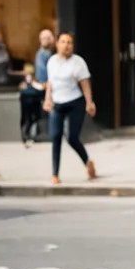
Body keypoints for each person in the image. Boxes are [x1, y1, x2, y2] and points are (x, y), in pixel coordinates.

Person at [43, 32, 96, 186]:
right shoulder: (52, 61)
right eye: (63, 42)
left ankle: (87, 162)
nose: (66, 45)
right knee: (55, 136)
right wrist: (48, 100)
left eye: (70, 43)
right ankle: (55, 174)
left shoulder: (77, 62)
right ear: (57, 44)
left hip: (75, 103)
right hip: (57, 104)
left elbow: (85, 84)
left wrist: (89, 103)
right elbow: (50, 83)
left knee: (72, 137)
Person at [18, 63, 45, 145]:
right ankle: (26, 134)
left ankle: (28, 134)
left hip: (33, 101)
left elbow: (40, 88)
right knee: (27, 118)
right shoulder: (26, 83)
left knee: (32, 118)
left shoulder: (34, 82)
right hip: (27, 101)